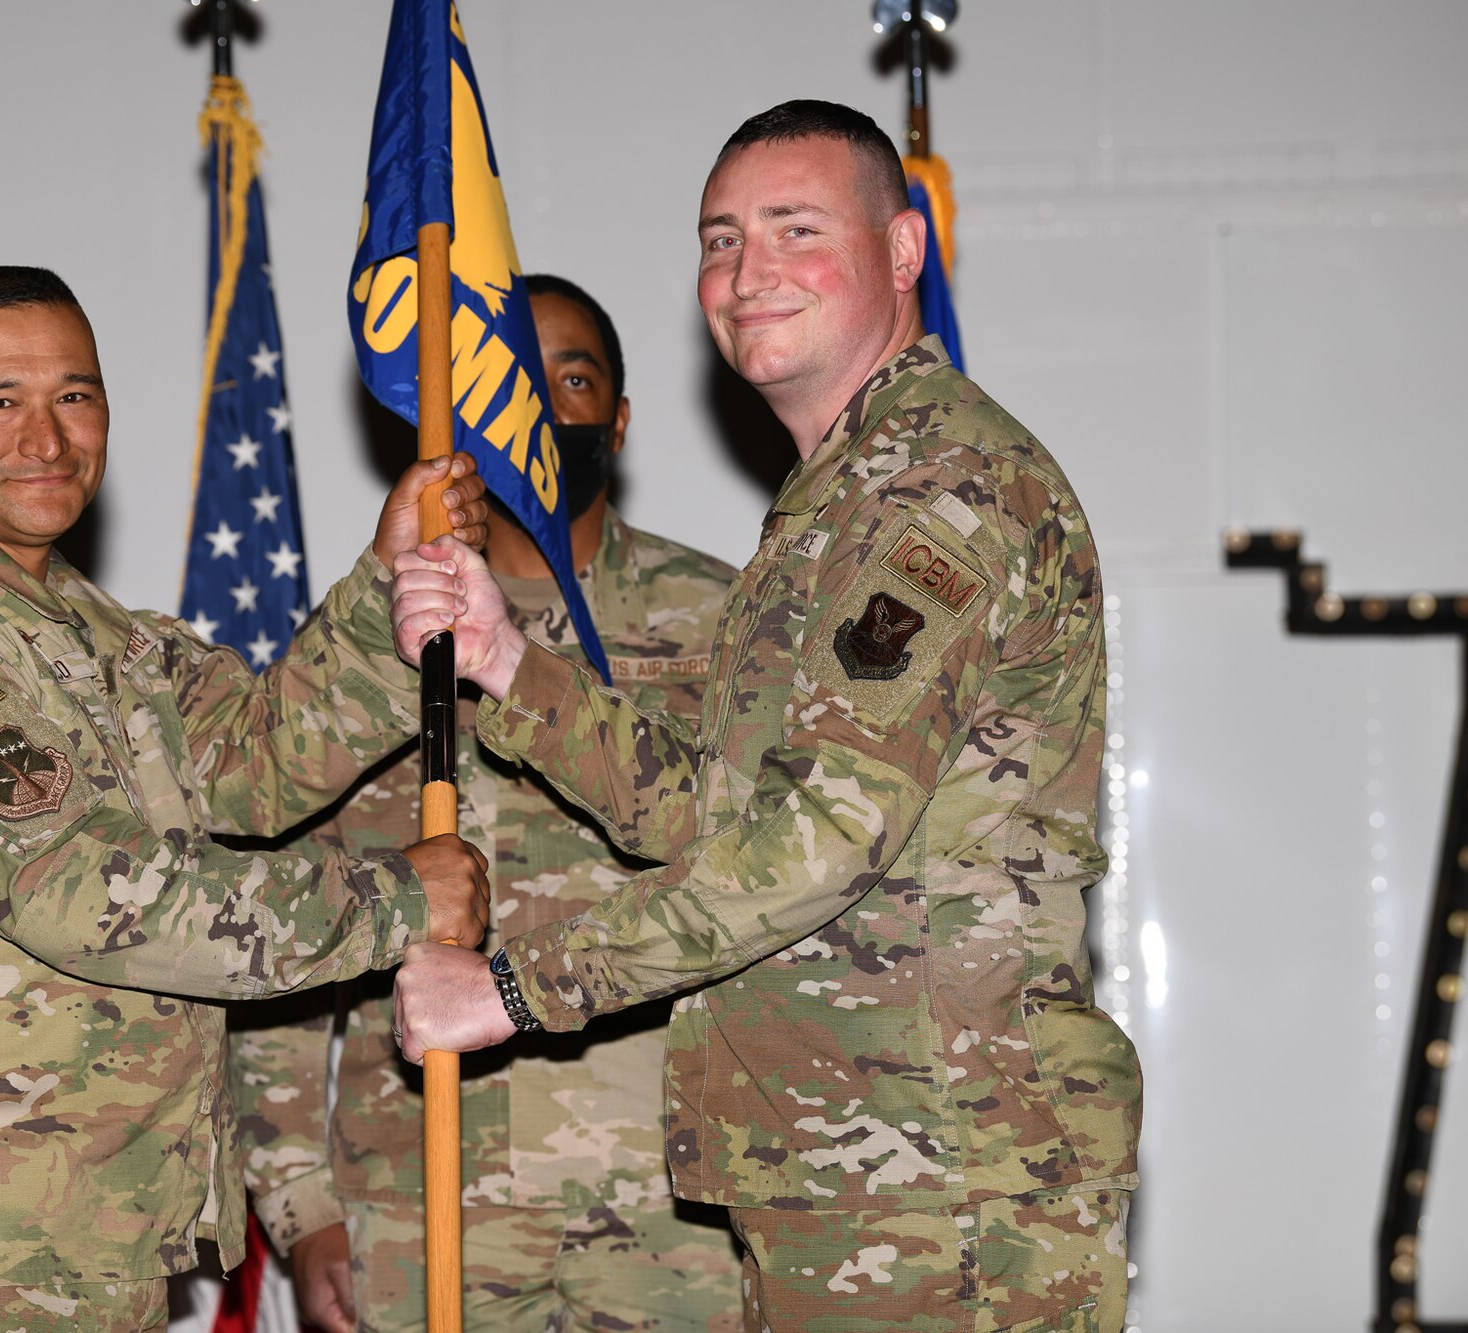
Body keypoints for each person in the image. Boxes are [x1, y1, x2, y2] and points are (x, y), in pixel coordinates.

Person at [389, 102, 1143, 1332]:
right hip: (844, 1165)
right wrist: (505, 663)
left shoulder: (937, 487)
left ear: (901, 253)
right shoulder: (832, 503)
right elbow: (720, 814)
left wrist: (515, 991)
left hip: (939, 1179)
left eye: (795, 229)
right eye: (719, 240)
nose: (746, 273)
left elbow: (815, 843)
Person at [0, 266, 493, 1333]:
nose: (45, 439)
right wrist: (394, 904)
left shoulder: (78, 628)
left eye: (73, 397)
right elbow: (94, 896)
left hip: (59, 1245)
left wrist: (385, 577)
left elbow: (258, 757)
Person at [229, 275, 742, 1333]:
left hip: (671, 1206)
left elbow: (770, 880)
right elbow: (286, 922)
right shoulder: (376, 644)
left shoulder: (724, 621)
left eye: (574, 380)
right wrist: (301, 1204)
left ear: (621, 416)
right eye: (514, 384)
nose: (545, 410)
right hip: (422, 1194)